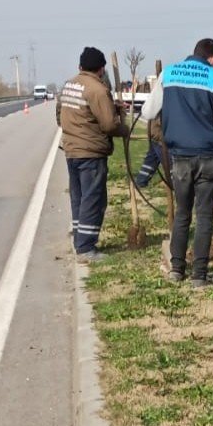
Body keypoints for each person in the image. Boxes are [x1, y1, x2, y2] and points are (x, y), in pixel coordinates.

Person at [141, 38, 213, 288]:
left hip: (180, 158)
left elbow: (148, 113)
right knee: (204, 215)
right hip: (209, 158)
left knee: (183, 213)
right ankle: (199, 275)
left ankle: (176, 270)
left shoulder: (169, 73)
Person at [56, 46, 125, 263]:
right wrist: (124, 126)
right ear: (102, 69)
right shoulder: (98, 89)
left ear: (80, 66)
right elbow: (109, 125)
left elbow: (61, 115)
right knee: (93, 199)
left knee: (79, 197)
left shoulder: (69, 85)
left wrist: (110, 106)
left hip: (71, 151)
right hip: (91, 153)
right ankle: (86, 249)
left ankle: (79, 238)